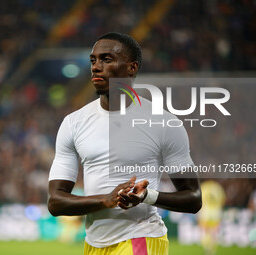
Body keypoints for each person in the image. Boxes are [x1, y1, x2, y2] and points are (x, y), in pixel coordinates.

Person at [48, 32, 202, 255]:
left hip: (141, 239)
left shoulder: (164, 122)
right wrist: (105, 200)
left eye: (106, 59)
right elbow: (55, 201)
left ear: (132, 68)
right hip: (94, 245)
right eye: (93, 60)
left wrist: (147, 196)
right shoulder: (73, 123)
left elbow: (193, 198)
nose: (96, 67)